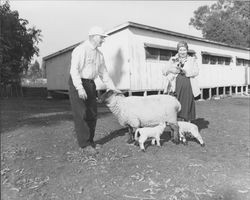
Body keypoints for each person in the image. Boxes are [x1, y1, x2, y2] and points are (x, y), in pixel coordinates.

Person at [68, 26, 118, 154]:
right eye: (102, 38)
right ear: (94, 36)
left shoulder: (99, 54)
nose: (103, 40)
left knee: (92, 113)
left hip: (90, 83)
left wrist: (112, 88)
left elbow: (104, 73)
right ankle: (84, 145)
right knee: (82, 113)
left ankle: (90, 141)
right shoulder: (80, 50)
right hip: (78, 83)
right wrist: (79, 88)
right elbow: (74, 71)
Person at [162, 41, 200, 122]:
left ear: (187, 50)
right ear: (178, 51)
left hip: (188, 85)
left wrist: (186, 72)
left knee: (187, 105)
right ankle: (176, 128)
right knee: (175, 105)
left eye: (184, 50)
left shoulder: (192, 59)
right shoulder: (173, 59)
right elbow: (164, 71)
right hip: (175, 86)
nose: (182, 52)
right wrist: (171, 69)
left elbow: (196, 72)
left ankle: (187, 128)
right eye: (180, 50)